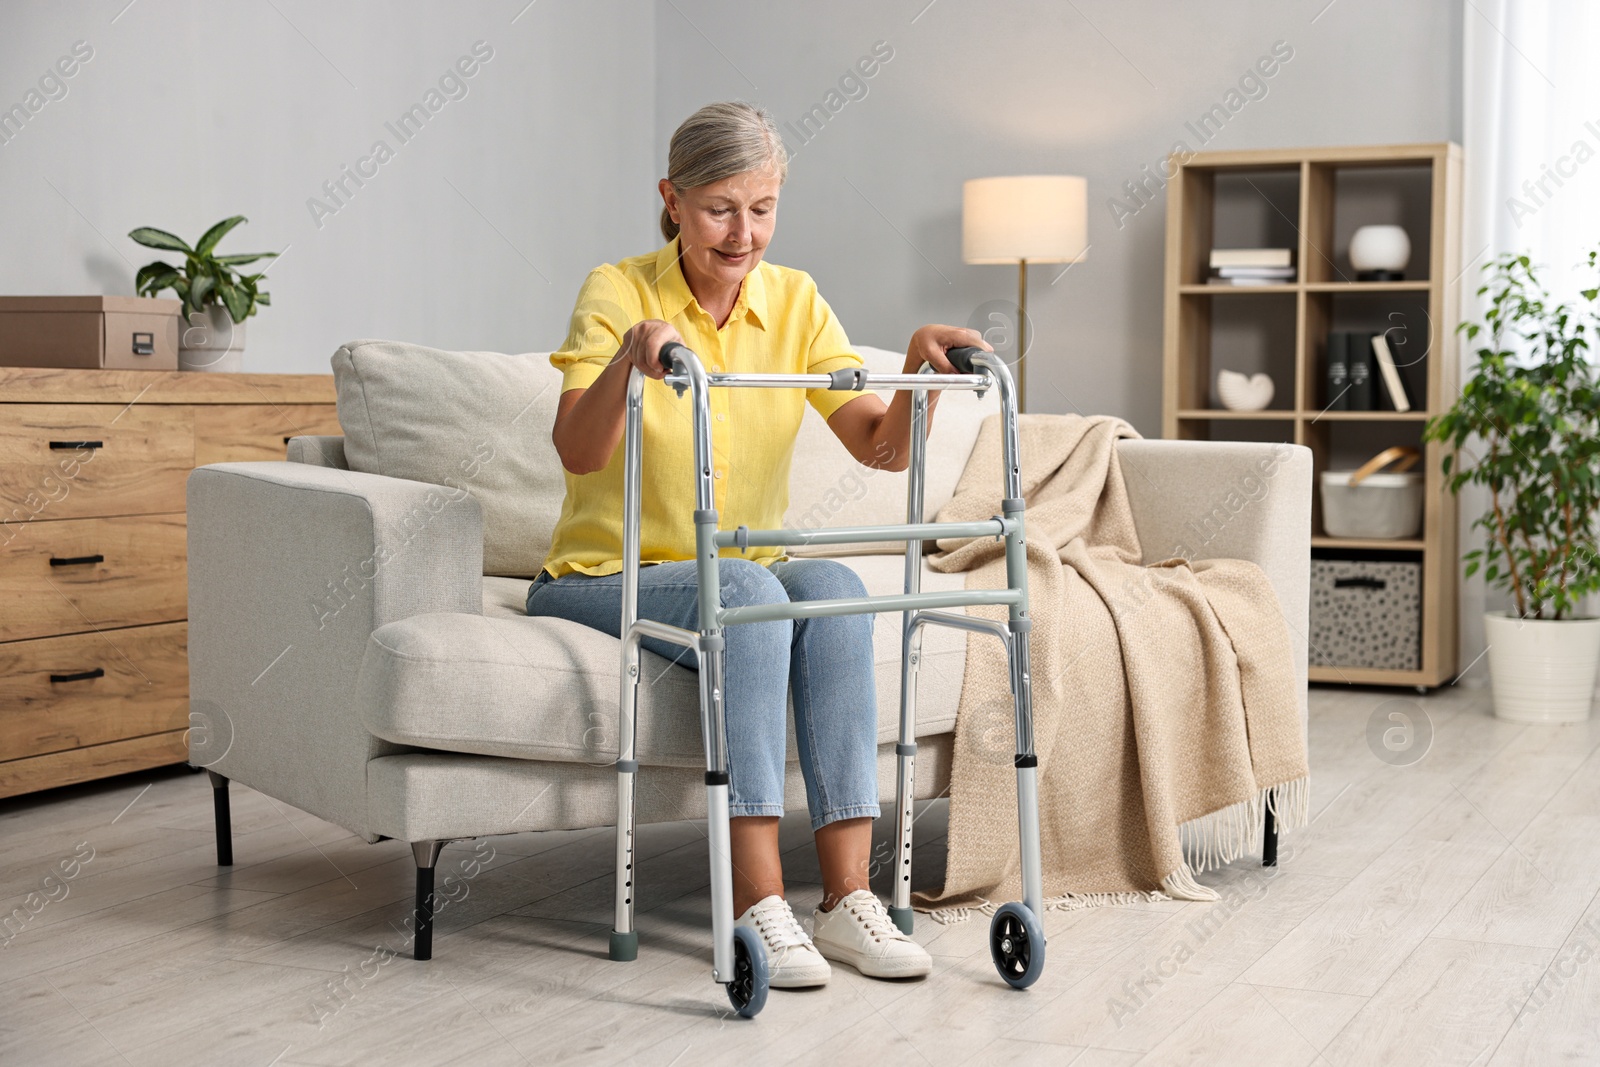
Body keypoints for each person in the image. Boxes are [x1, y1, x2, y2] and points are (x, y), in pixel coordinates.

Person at [526, 100, 990, 988]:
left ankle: (845, 897)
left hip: (744, 569)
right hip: (605, 575)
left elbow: (879, 448)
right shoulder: (618, 289)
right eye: (719, 209)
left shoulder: (795, 299)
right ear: (671, 199)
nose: (745, 233)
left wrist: (918, 379)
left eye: (763, 208)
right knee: (747, 590)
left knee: (837, 588)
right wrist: (630, 360)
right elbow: (577, 453)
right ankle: (756, 902)